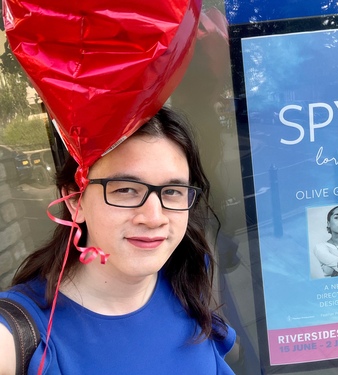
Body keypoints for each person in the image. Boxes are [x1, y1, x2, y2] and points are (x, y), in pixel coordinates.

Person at [0, 107, 236, 374]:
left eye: (172, 191)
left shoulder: (189, 273)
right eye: (126, 190)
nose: (154, 217)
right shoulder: (22, 334)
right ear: (76, 201)